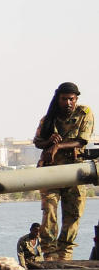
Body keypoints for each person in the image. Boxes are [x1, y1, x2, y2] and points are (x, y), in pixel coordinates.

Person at [32, 81, 93, 260]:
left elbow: (82, 141)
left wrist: (58, 146)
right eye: (64, 99)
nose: (68, 103)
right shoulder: (48, 119)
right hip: (50, 174)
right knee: (49, 211)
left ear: (76, 99)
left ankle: (65, 255)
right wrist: (49, 141)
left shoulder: (84, 114)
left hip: (74, 173)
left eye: (71, 99)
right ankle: (49, 253)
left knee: (73, 214)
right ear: (58, 99)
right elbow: (37, 142)